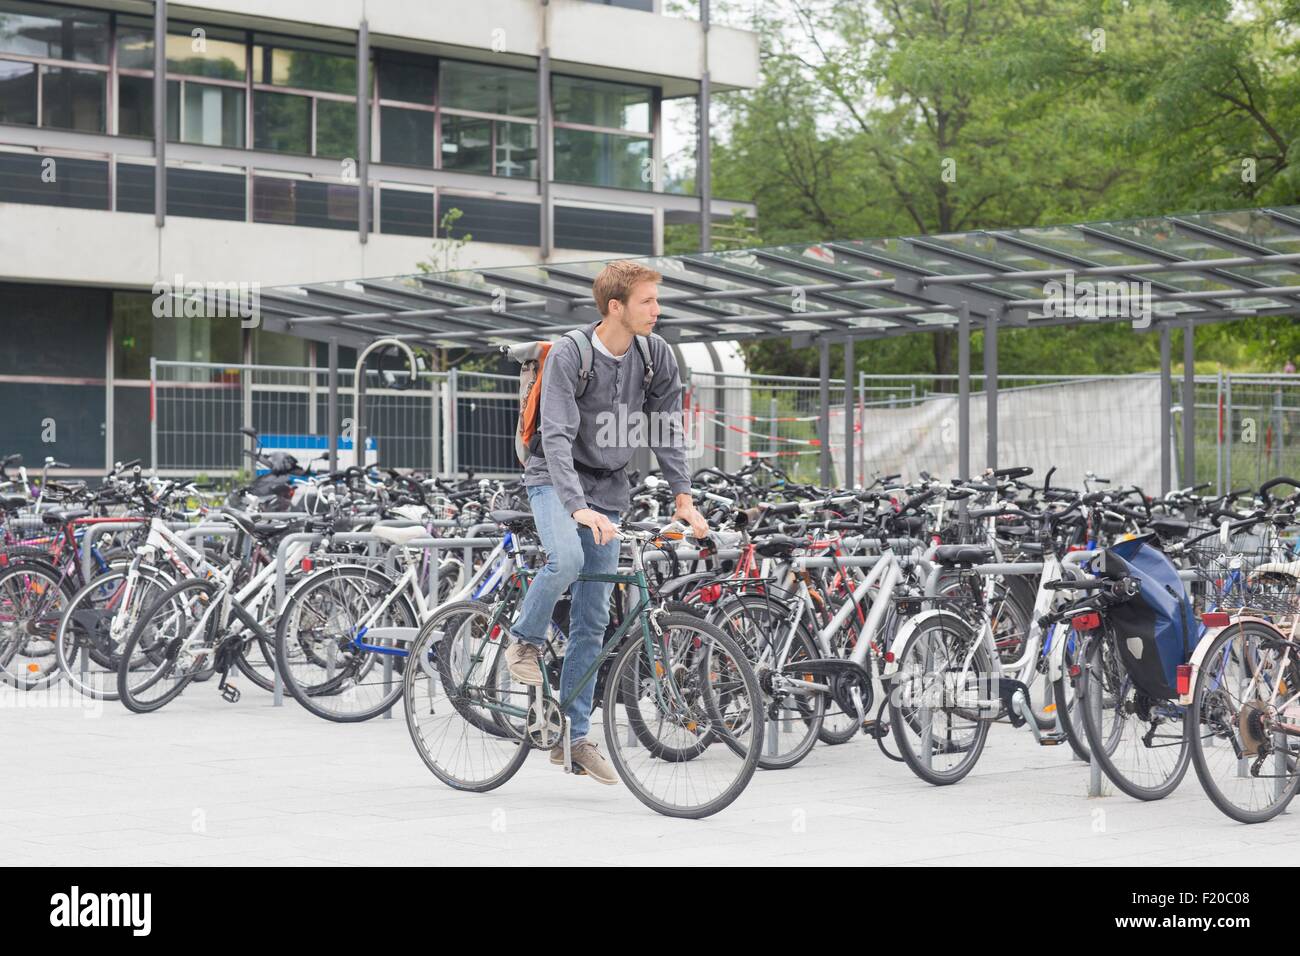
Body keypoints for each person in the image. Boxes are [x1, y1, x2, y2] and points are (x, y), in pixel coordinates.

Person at [503, 260, 708, 784]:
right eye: (647, 301)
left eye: (656, 300)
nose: (657, 310)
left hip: (609, 486)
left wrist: (683, 496)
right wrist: (576, 507)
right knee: (566, 558)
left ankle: (572, 738)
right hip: (554, 477)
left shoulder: (654, 354)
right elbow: (553, 436)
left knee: (594, 616)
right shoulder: (571, 354)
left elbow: (666, 428)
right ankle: (523, 639)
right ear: (615, 307)